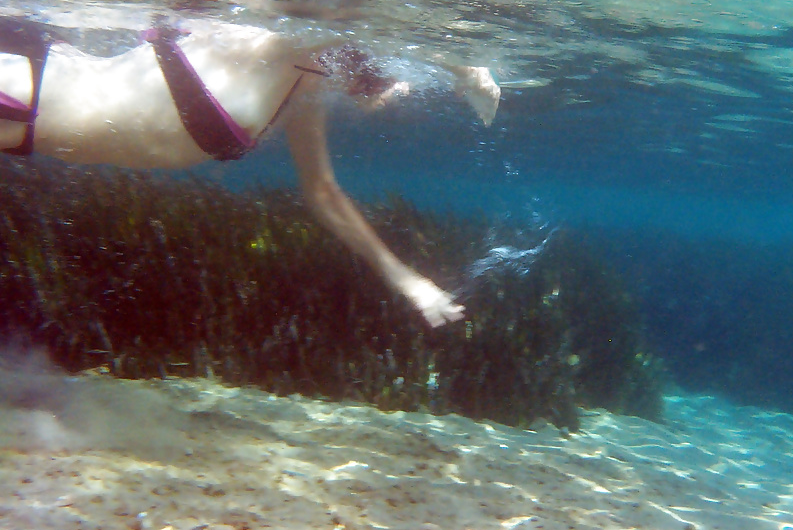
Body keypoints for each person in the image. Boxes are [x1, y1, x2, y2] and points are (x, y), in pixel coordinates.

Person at [0, 17, 501, 328]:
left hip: (25, 130)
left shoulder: (305, 93)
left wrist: (408, 281)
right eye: (391, 73)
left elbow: (325, 193)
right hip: (27, 92)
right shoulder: (279, 43)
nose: (403, 89)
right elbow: (375, 24)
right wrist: (466, 70)